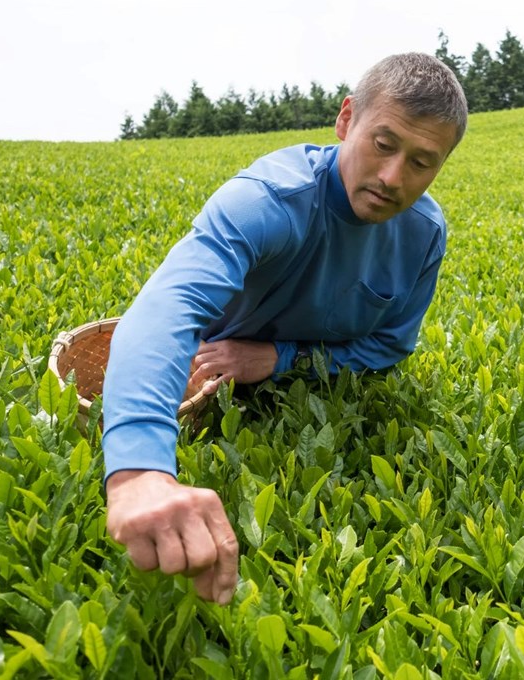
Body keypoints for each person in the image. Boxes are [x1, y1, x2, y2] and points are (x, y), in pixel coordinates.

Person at [100, 53, 467, 605]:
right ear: (346, 121)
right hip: (203, 377)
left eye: (422, 162)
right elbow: (167, 308)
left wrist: (279, 357)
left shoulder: (423, 234)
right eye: (384, 144)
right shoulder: (269, 200)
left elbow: (390, 345)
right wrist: (138, 471)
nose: (393, 178)